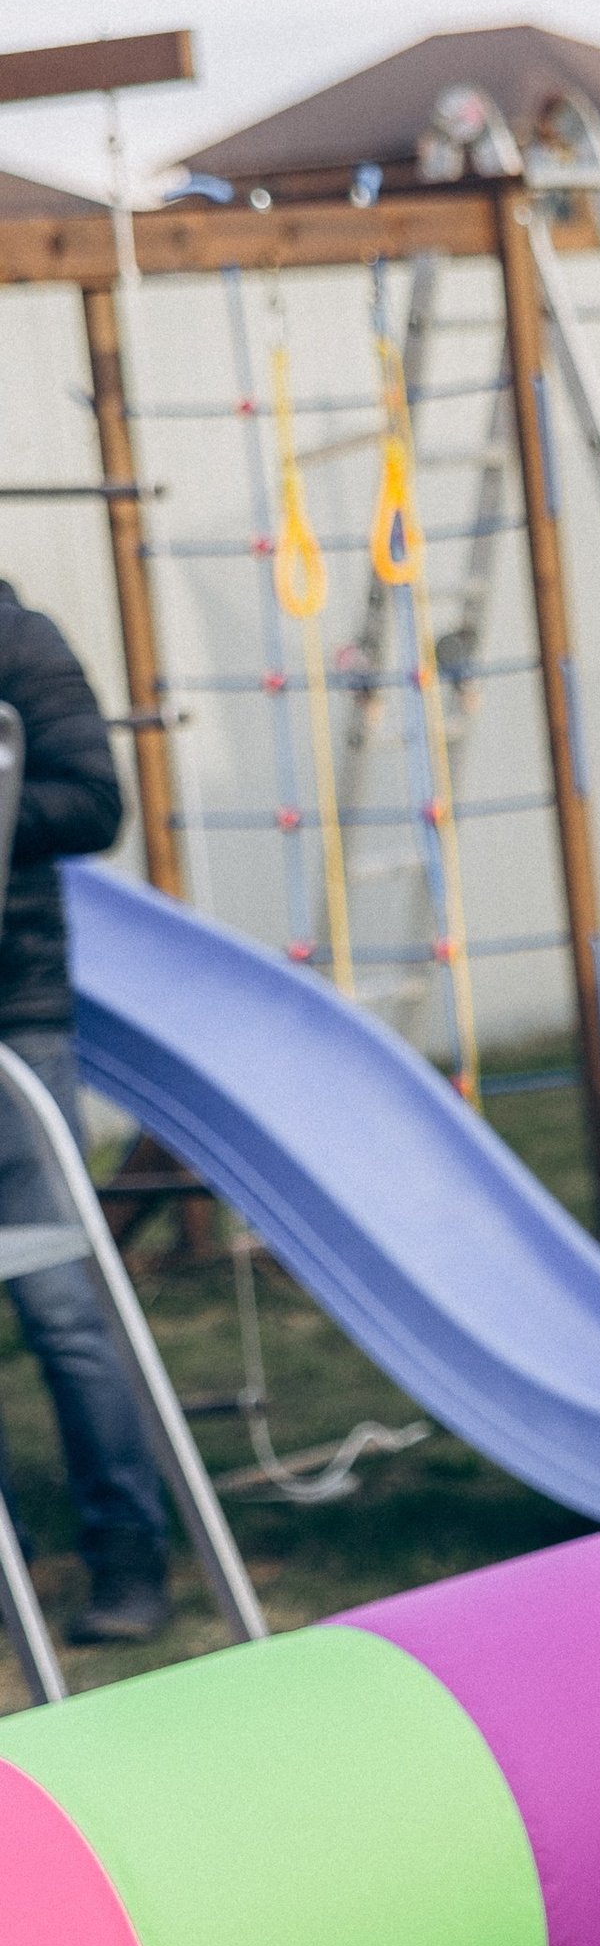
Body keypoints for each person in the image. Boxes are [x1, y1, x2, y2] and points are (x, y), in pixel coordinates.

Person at [0, 583, 170, 1644]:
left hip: (17, 1012)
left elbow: (93, 801)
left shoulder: (19, 641)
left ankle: (130, 1560)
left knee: (62, 1303)